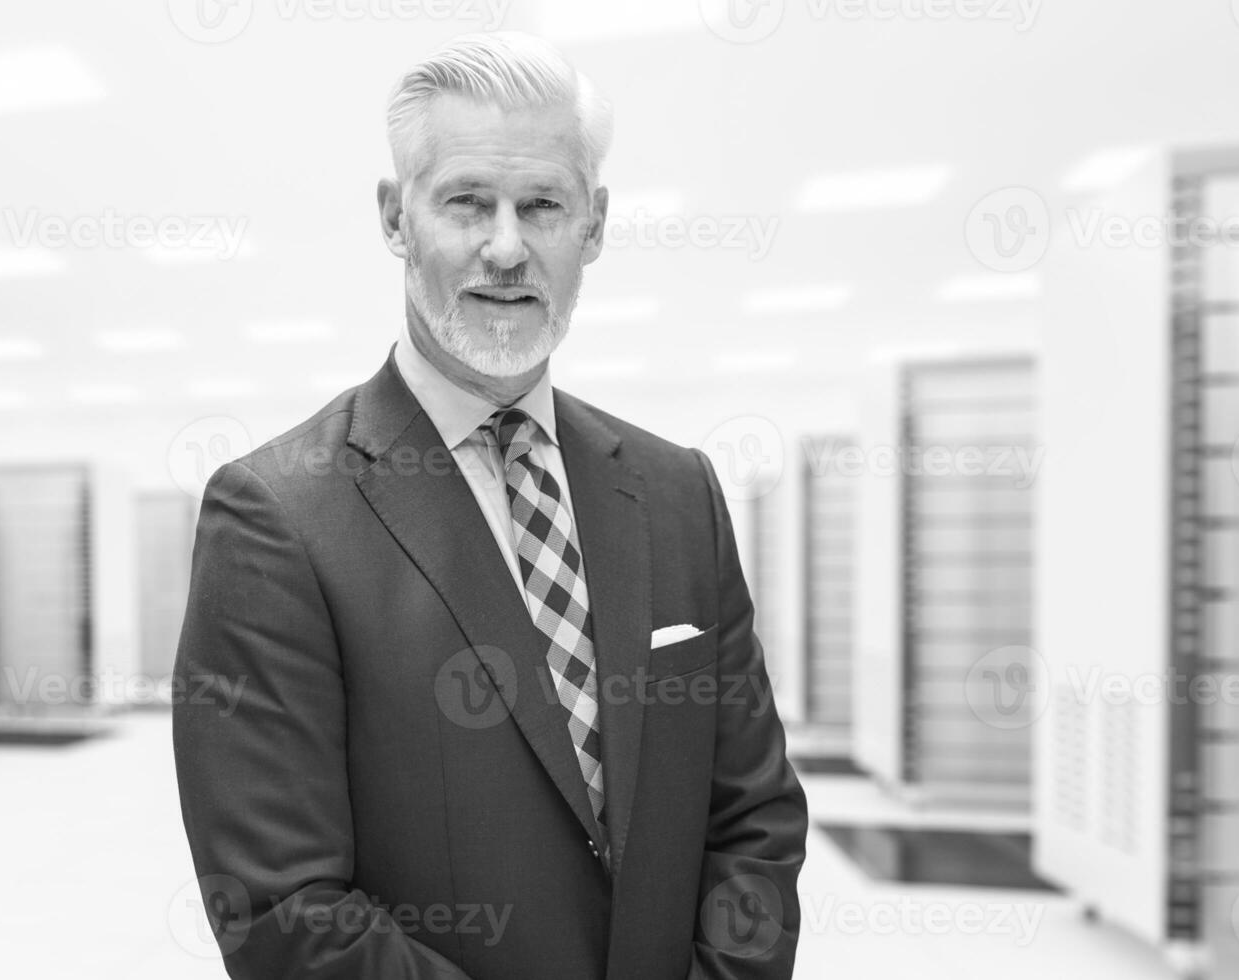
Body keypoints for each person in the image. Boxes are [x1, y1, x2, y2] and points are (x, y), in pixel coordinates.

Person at [172, 31, 808, 980]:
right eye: (466, 201)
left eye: (542, 205)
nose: (505, 248)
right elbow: (283, 910)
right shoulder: (276, 517)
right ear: (396, 217)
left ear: (591, 227)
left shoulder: (678, 493)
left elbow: (752, 816)